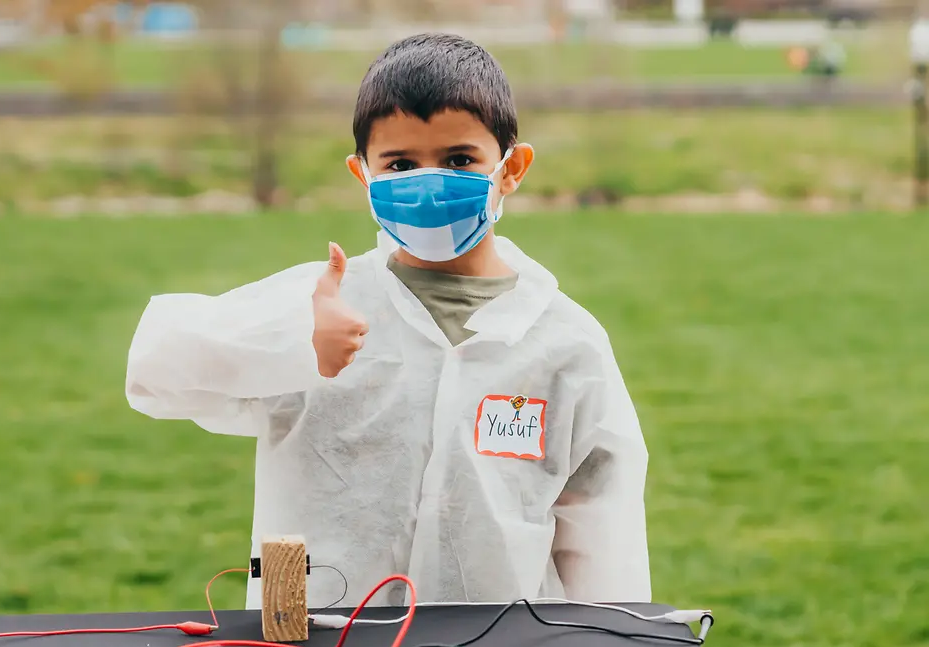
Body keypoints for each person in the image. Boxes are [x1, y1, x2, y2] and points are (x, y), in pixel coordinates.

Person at [125, 33, 651, 609]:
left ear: (511, 168)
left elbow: (604, 533)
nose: (429, 184)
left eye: (459, 160)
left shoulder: (564, 341)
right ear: (363, 175)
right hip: (313, 636)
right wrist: (292, 339)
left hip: (495, 641)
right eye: (400, 164)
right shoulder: (322, 303)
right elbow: (154, 371)